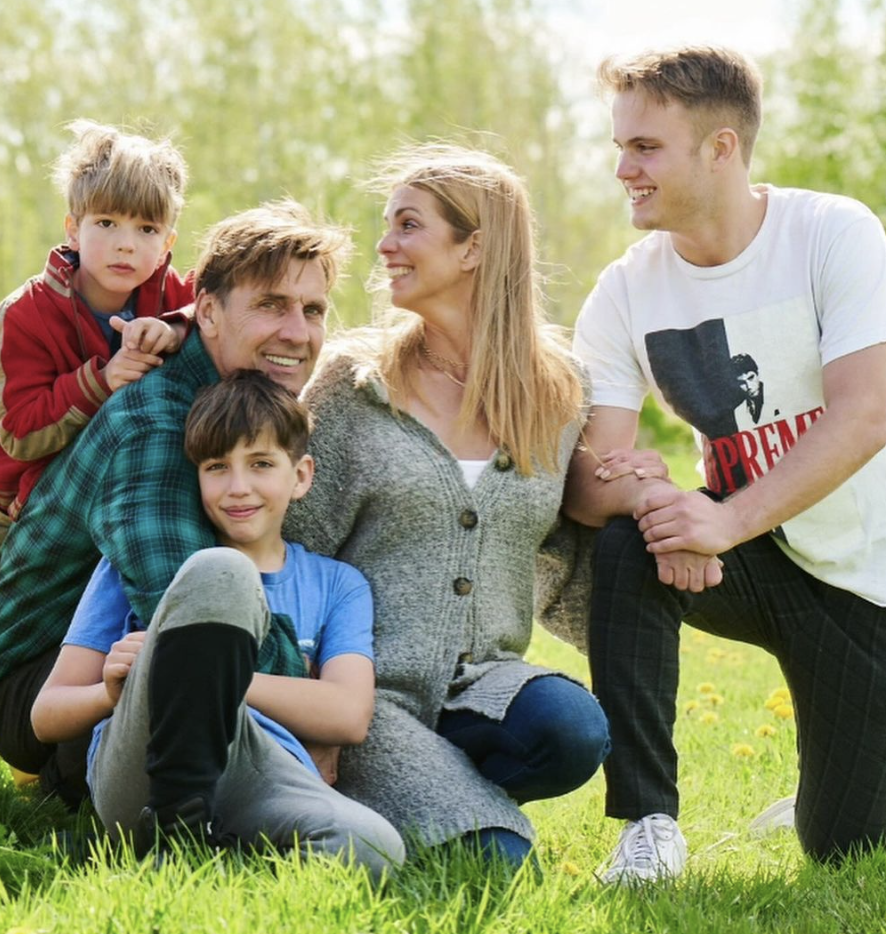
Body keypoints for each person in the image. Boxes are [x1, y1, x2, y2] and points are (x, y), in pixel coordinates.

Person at [564, 45, 886, 881]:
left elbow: (869, 410)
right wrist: (657, 506)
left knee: (844, 845)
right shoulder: (628, 290)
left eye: (645, 148)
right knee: (629, 544)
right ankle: (647, 825)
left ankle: (834, 789)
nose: (623, 169)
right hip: (757, 561)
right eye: (620, 148)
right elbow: (594, 475)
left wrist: (726, 517)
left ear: (721, 149)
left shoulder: (832, 234)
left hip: (869, 584)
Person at [285, 144, 611, 866]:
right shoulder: (354, 382)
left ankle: (435, 792)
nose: (385, 245)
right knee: (497, 862)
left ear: (474, 248)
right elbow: (292, 549)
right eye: (388, 223)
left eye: (408, 225)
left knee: (574, 730)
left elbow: (559, 542)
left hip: (484, 687)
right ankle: (429, 798)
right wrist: (313, 716)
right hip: (366, 697)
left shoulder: (558, 394)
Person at [0, 199, 351, 808]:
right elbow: (187, 608)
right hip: (40, 679)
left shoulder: (243, 405)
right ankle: (116, 803)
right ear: (208, 312)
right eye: (271, 304)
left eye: (312, 310)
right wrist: (312, 712)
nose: (297, 332)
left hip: (125, 645)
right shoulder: (155, 422)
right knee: (173, 668)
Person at [30, 371, 404, 876]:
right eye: (216, 467)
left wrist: (192, 670)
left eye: (261, 464)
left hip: (264, 768)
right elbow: (46, 714)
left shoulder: (338, 584)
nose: (238, 487)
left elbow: (346, 714)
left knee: (377, 846)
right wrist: (111, 693)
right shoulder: (140, 565)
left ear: (301, 475)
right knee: (221, 571)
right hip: (143, 770)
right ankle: (173, 833)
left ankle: (208, 863)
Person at [0, 120, 193, 548]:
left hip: (126, 485)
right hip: (20, 509)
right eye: (106, 223)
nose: (126, 244)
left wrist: (176, 326)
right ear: (73, 227)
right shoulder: (27, 314)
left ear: (167, 241)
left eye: (147, 229)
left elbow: (218, 307)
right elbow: (19, 435)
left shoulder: (169, 290)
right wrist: (101, 381)